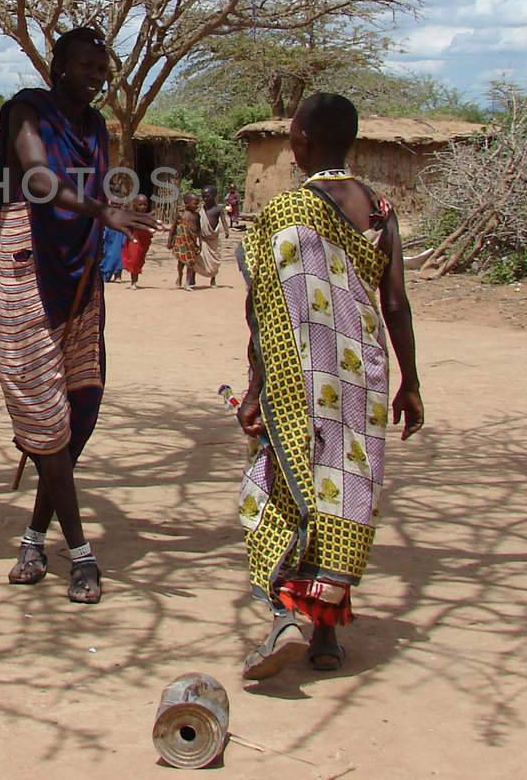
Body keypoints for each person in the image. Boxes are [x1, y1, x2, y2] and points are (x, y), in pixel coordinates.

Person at [234, 92, 424, 679]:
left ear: (303, 143)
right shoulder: (381, 211)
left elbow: (264, 310)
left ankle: (282, 615)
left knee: (283, 493)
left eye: (293, 135)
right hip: (363, 379)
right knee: (344, 498)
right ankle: (324, 638)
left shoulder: (284, 211)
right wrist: (411, 382)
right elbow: (395, 302)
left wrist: (253, 386)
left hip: (297, 378)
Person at [0, 27, 158, 605]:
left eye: (102, 68)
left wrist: (116, 210)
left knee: (79, 409)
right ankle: (81, 554)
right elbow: (38, 179)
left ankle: (34, 539)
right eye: (86, 65)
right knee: (42, 409)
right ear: (57, 66)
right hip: (31, 264)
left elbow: (97, 187)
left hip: (83, 271)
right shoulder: (26, 111)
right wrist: (100, 210)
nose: (96, 75)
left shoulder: (93, 127)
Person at [168, 192, 202, 290]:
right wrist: (169, 241)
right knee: (181, 262)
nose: (197, 206)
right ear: (187, 203)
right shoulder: (180, 215)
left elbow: (199, 230)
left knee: (190, 263)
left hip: (192, 242)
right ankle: (180, 276)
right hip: (181, 242)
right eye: (195, 203)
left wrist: (201, 242)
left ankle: (187, 283)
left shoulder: (197, 216)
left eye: (198, 203)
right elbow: (173, 228)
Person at [198, 186, 230, 286]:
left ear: (214, 196)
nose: (205, 198)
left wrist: (226, 230)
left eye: (207, 196)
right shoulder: (201, 209)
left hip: (213, 239)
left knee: (214, 260)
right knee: (197, 258)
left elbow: (223, 220)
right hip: (202, 237)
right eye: (203, 196)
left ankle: (213, 279)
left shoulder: (218, 209)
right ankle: (191, 279)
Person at [120, 194, 154, 288]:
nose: (143, 207)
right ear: (135, 205)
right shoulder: (131, 215)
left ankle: (135, 280)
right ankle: (133, 282)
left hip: (144, 241)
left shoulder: (148, 215)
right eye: (140, 204)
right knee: (134, 259)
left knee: (139, 260)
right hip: (134, 240)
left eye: (145, 204)